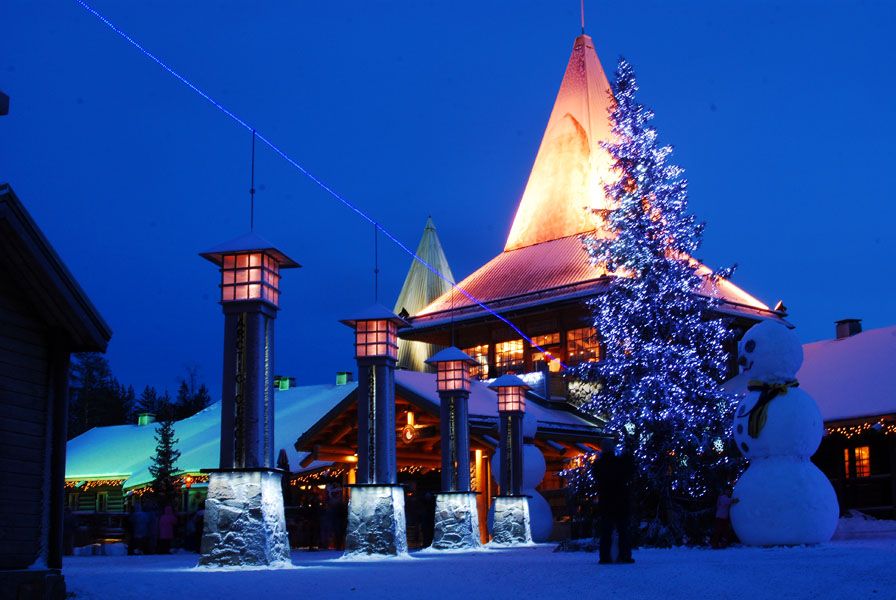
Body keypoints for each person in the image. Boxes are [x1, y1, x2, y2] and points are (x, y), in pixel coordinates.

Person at [593, 438, 635, 564]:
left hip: (606, 502)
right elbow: (629, 472)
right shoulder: (619, 462)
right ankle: (625, 555)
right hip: (621, 501)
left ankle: (605, 557)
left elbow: (597, 478)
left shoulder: (598, 465)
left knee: (606, 531)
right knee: (623, 531)